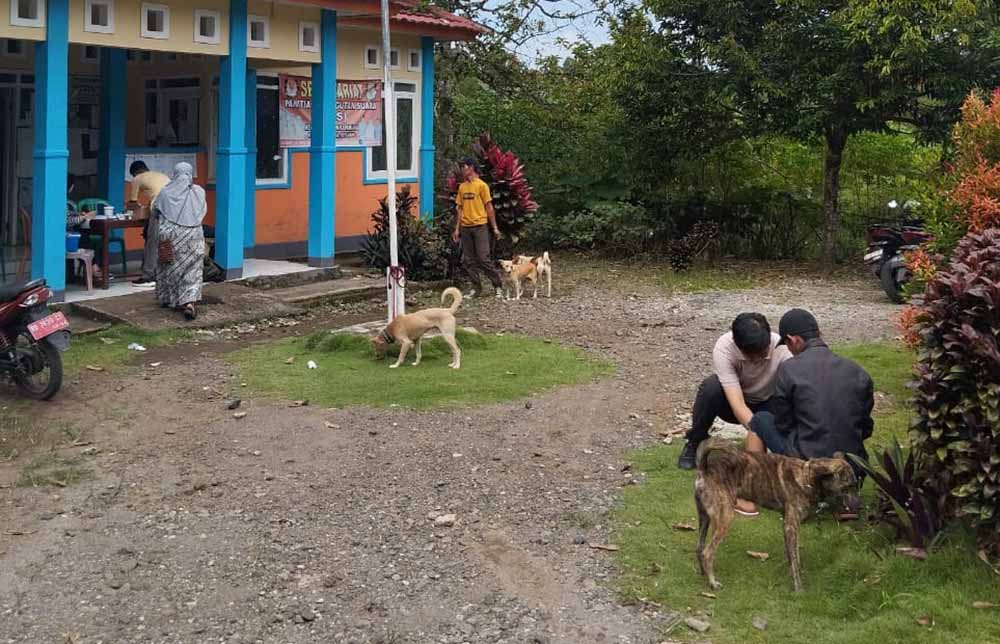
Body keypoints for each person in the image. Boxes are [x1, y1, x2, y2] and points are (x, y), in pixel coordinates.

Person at [677, 312, 793, 515]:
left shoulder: (782, 349)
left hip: (769, 402)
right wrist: (759, 429)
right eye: (752, 355)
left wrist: (770, 435)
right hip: (737, 401)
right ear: (737, 344)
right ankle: (695, 441)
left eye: (762, 352)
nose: (758, 358)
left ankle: (768, 466)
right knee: (710, 387)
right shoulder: (724, 347)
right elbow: (736, 401)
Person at [746, 309, 875, 471]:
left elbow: (783, 424)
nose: (789, 351)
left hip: (809, 465)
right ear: (819, 333)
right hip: (852, 465)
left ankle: (754, 486)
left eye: (787, 345)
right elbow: (866, 428)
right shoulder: (857, 371)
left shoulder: (789, 369)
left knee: (759, 419)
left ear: (794, 340)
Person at [153, 162, 207, 321]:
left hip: (172, 236)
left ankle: (169, 298)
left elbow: (155, 210)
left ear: (175, 174)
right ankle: (189, 302)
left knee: (169, 265)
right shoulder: (199, 192)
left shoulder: (166, 192)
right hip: (194, 235)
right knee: (194, 269)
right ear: (190, 174)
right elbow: (202, 211)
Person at [451, 158, 503, 299]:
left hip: (480, 226)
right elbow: (459, 209)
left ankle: (497, 285)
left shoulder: (482, 186)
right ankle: (476, 288)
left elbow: (489, 207)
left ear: (472, 168)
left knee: (483, 258)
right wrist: (457, 229)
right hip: (466, 228)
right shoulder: (462, 187)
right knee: (468, 260)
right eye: (461, 167)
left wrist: (495, 228)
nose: (462, 169)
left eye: (465, 166)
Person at [127, 161, 170, 287]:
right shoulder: (161, 175)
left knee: (152, 242)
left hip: (159, 210)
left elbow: (133, 203)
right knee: (166, 241)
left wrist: (128, 209)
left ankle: (148, 276)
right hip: (174, 209)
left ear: (134, 173)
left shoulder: (137, 179)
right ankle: (163, 273)